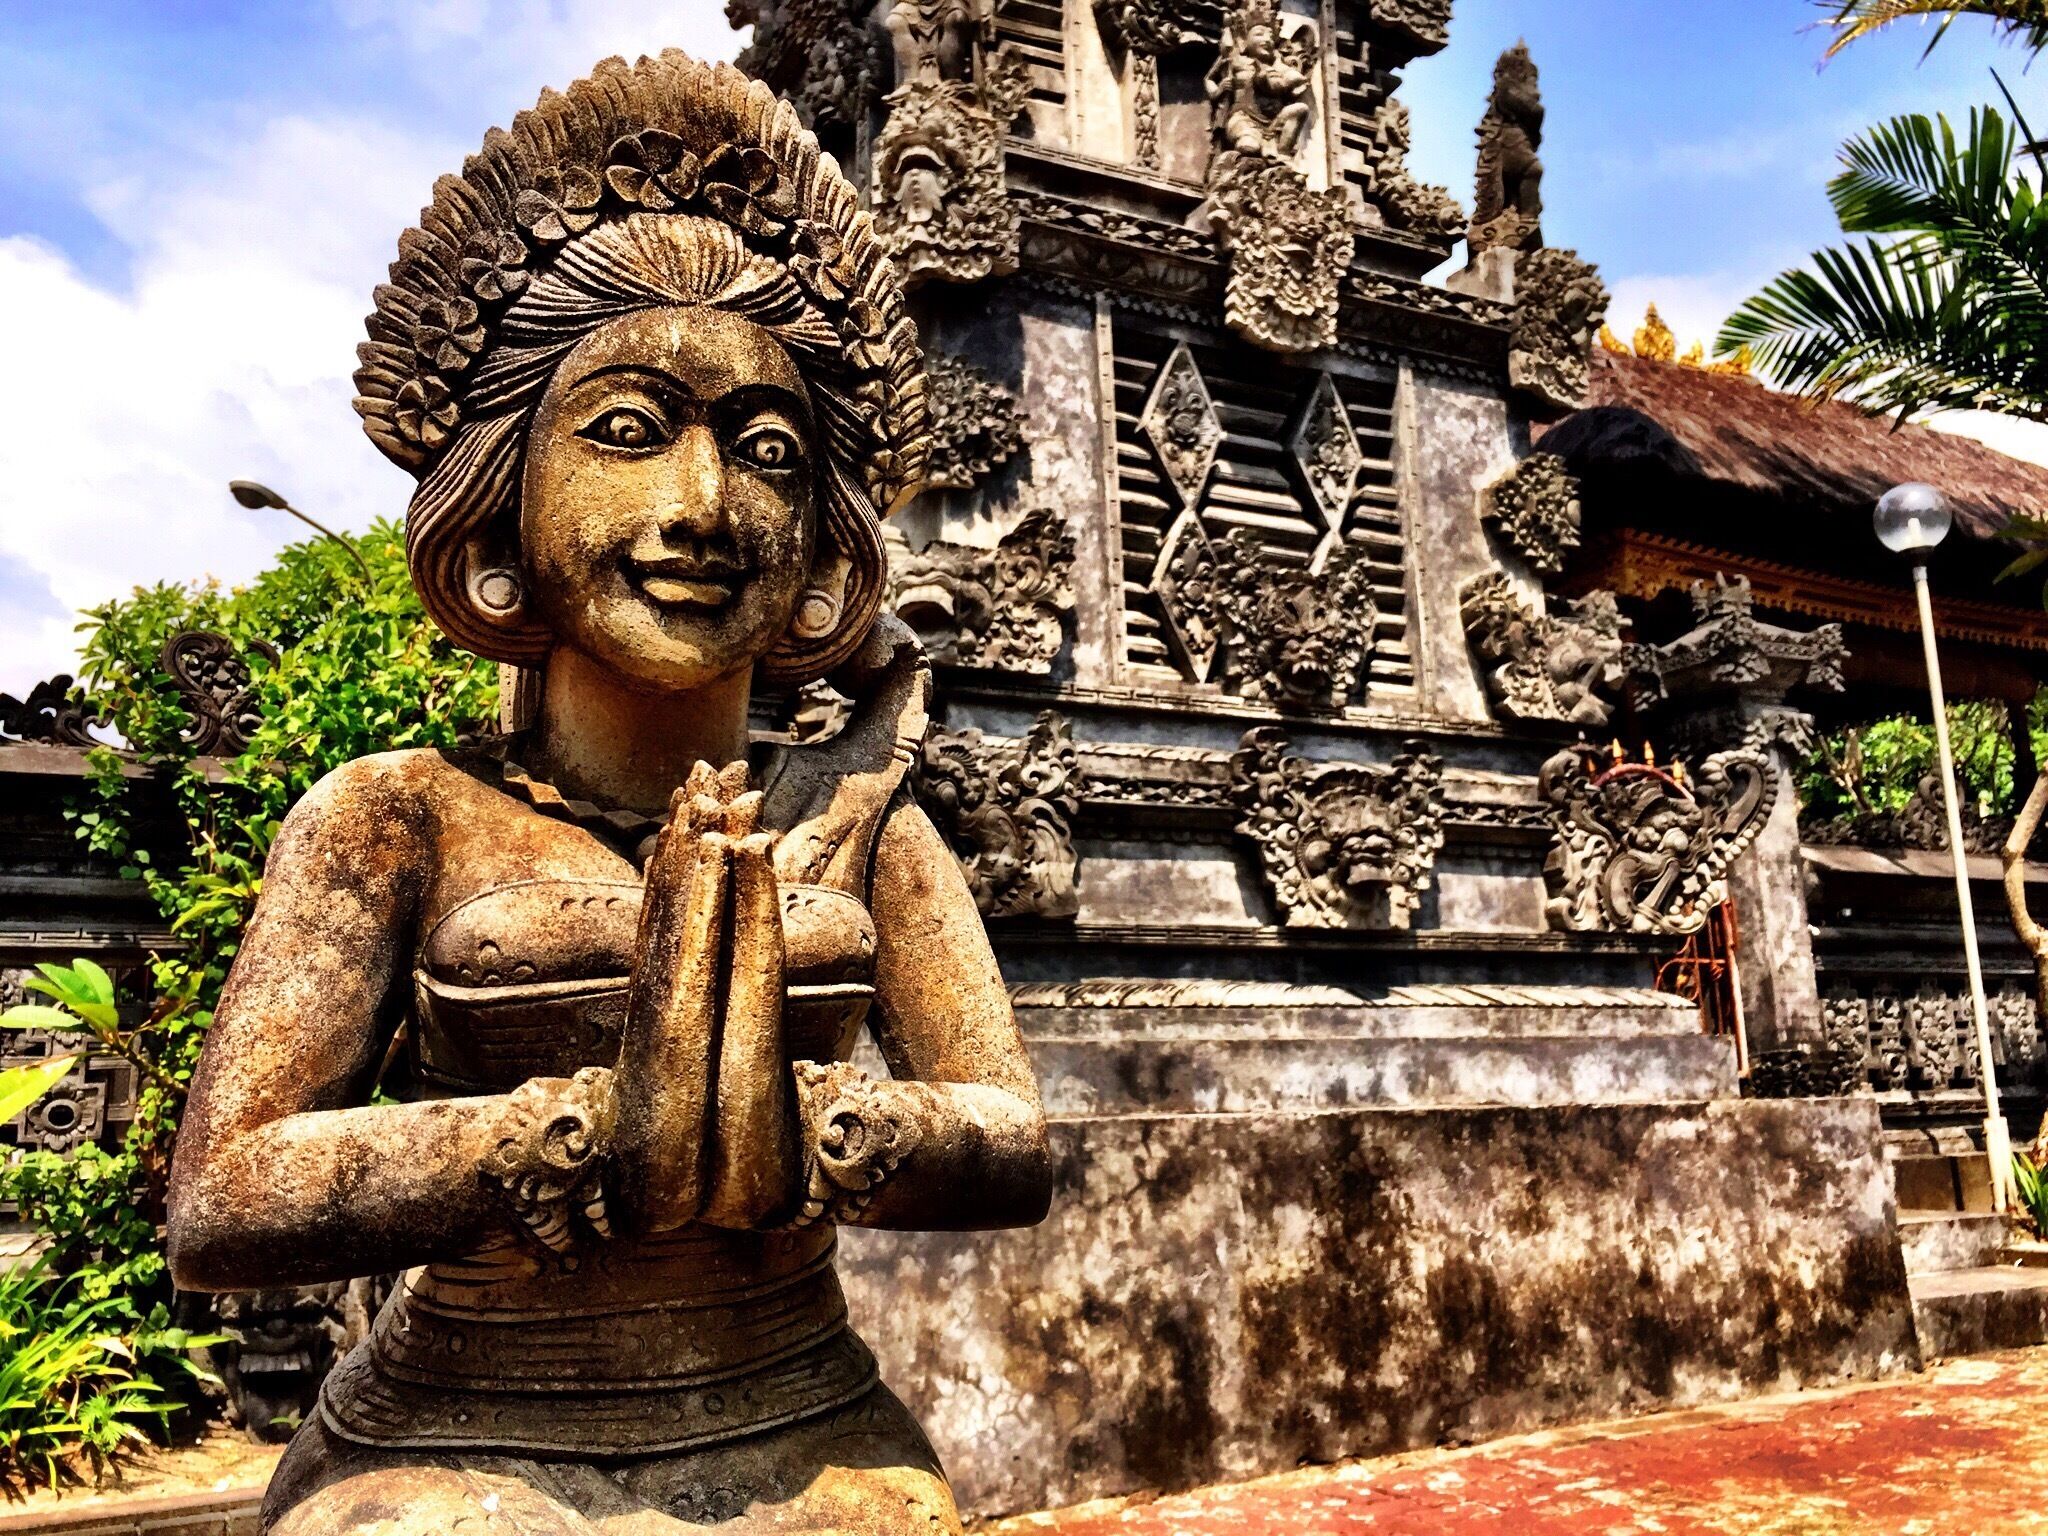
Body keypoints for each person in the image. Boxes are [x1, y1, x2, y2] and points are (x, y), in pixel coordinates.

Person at [165, 50, 1052, 1536]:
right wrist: (580, 1131)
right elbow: (223, 1198)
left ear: (826, 550)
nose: (702, 508)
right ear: (501, 510)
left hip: (808, 1420)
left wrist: (820, 1131)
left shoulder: (868, 821)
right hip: (463, 1435)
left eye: (768, 453)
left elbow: (1013, 1139)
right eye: (629, 434)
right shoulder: (398, 817)